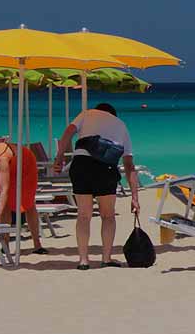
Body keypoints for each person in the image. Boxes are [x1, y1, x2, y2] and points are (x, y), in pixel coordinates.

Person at [52, 103, 139, 270]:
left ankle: (83, 261)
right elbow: (129, 165)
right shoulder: (121, 125)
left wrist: (59, 156)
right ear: (114, 115)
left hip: (81, 164)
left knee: (84, 215)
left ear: (98, 109)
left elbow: (68, 132)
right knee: (108, 216)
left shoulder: (87, 113)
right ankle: (106, 258)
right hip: (105, 169)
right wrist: (135, 198)